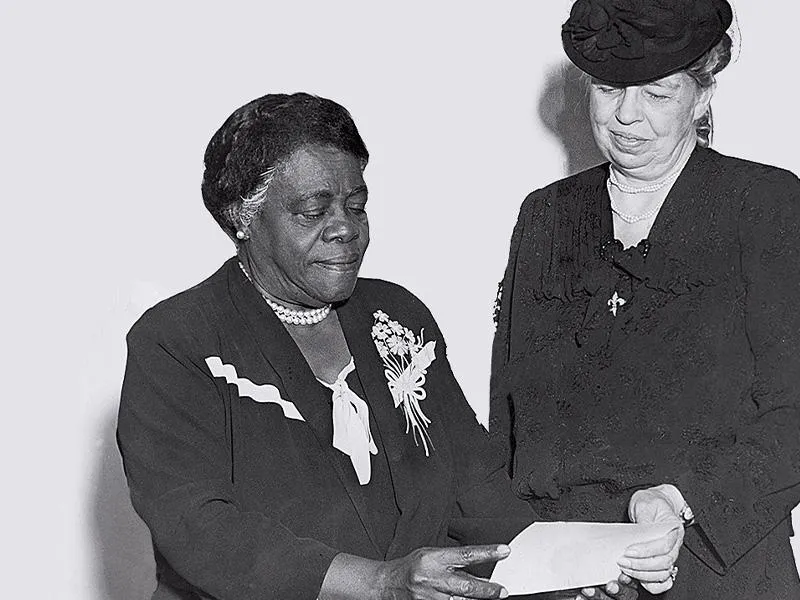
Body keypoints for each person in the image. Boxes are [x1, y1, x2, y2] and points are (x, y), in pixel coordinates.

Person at [118, 93, 671, 600]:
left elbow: (476, 491)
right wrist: (379, 582)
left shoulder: (398, 318)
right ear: (242, 217)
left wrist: (568, 572)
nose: (345, 229)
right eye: (313, 212)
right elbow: (203, 529)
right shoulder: (177, 342)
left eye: (355, 205)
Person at [490, 1, 800, 598]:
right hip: (566, 573)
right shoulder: (546, 216)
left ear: (701, 97)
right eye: (609, 89)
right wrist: (527, 553)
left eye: (657, 94)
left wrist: (682, 502)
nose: (627, 116)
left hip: (716, 570)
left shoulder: (766, 206)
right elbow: (512, 419)